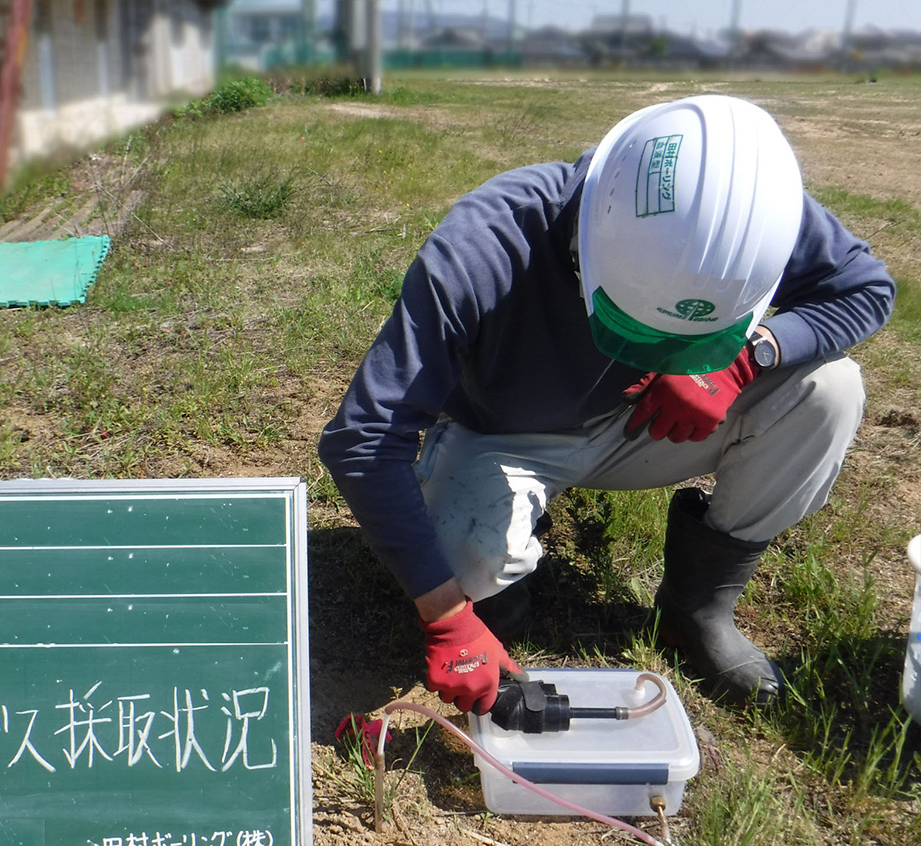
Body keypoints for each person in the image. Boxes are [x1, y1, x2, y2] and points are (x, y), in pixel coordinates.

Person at [317, 94, 895, 715]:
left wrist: (743, 356)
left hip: (647, 420)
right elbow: (364, 438)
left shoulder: (747, 209)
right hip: (506, 436)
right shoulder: (486, 245)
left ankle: (697, 609)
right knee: (466, 563)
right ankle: (498, 582)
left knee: (829, 390)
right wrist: (446, 613)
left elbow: (867, 289)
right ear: (592, 240)